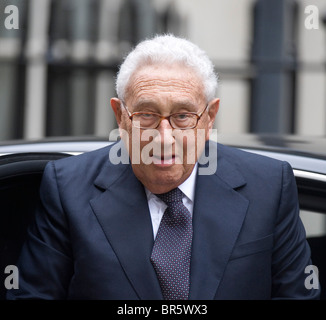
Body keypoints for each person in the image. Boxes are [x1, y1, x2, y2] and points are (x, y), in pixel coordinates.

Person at [7, 34, 320, 300]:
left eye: (183, 116)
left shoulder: (269, 186)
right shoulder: (67, 187)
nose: (164, 138)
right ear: (120, 116)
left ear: (210, 117)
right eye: (146, 115)